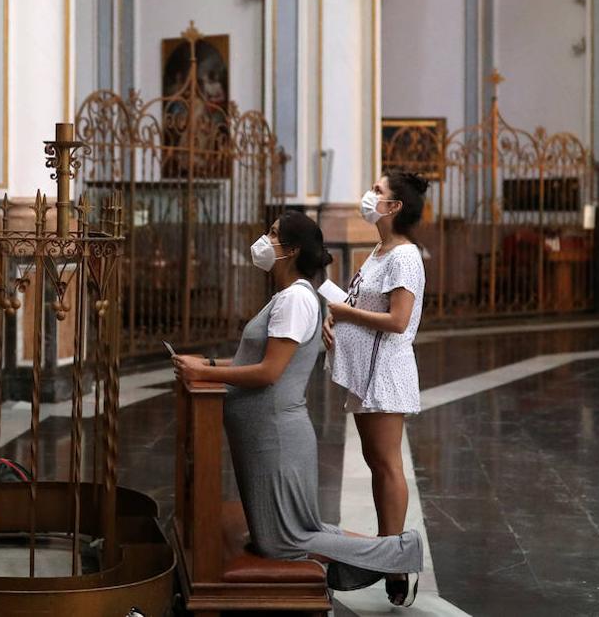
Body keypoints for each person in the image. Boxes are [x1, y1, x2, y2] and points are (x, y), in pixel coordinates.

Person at [172, 211, 423, 599]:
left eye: (272, 233)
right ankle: (394, 552)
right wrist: (203, 364)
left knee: (283, 542)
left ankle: (398, 552)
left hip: (276, 438)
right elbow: (249, 362)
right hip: (263, 438)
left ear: (290, 251)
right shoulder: (286, 298)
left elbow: (269, 372)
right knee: (291, 532)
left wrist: (207, 375)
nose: (263, 239)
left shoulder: (295, 300)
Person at [323, 169, 429, 607]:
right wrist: (336, 315)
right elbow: (360, 303)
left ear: (394, 206)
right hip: (369, 369)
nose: (369, 195)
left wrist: (343, 315)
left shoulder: (404, 256)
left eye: (378, 191)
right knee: (375, 461)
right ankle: (388, 552)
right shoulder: (379, 251)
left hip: (386, 369)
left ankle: (397, 560)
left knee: (387, 464)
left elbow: (399, 320)